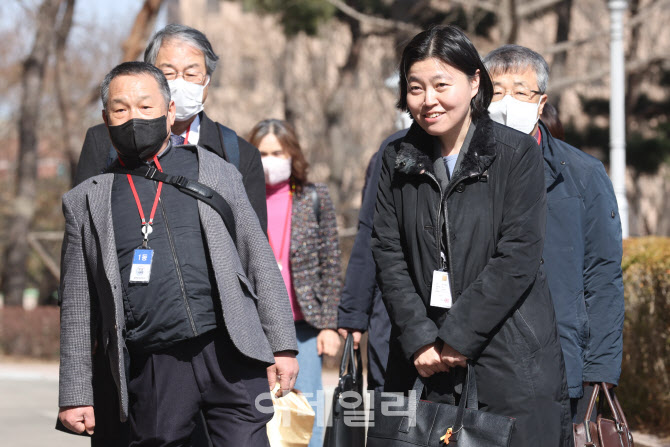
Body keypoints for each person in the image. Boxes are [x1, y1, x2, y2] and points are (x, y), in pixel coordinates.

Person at [57, 62, 298, 446]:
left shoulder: (213, 170)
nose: (134, 118)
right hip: (154, 364)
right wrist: (75, 394)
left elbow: (258, 257)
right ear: (106, 119)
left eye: (146, 107)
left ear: (170, 112)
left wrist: (282, 345)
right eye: (121, 110)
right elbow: (76, 305)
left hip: (230, 351)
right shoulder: (88, 199)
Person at [370, 25, 572, 446]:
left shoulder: (517, 153)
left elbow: (518, 255)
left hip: (509, 353)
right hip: (423, 360)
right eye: (416, 87)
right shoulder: (396, 158)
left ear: (475, 80)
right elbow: (388, 251)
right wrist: (421, 337)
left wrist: (457, 336)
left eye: (442, 84)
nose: (429, 100)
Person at [484, 44, 624, 422]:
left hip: (564, 363)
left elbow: (603, 273)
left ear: (541, 102)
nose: (507, 101)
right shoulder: (464, 167)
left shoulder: (582, 173)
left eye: (520, 91)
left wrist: (601, 368)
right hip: (482, 361)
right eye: (496, 91)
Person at [74, 24, 267, 232]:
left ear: (207, 81)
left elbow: (253, 245)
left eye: (191, 74)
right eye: (169, 73)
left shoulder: (239, 154)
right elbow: (81, 229)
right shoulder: (104, 140)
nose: (180, 83)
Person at [247, 119, 342, 447]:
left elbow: (330, 263)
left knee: (306, 413)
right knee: (258, 415)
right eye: (262, 153)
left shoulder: (313, 197)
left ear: (293, 155)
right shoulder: (241, 198)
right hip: (254, 329)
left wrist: (329, 325)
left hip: (303, 328)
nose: (270, 160)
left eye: (278, 152)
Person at [337, 129, 406, 392]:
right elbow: (369, 232)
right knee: (392, 409)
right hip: (391, 312)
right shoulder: (393, 149)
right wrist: (353, 315)